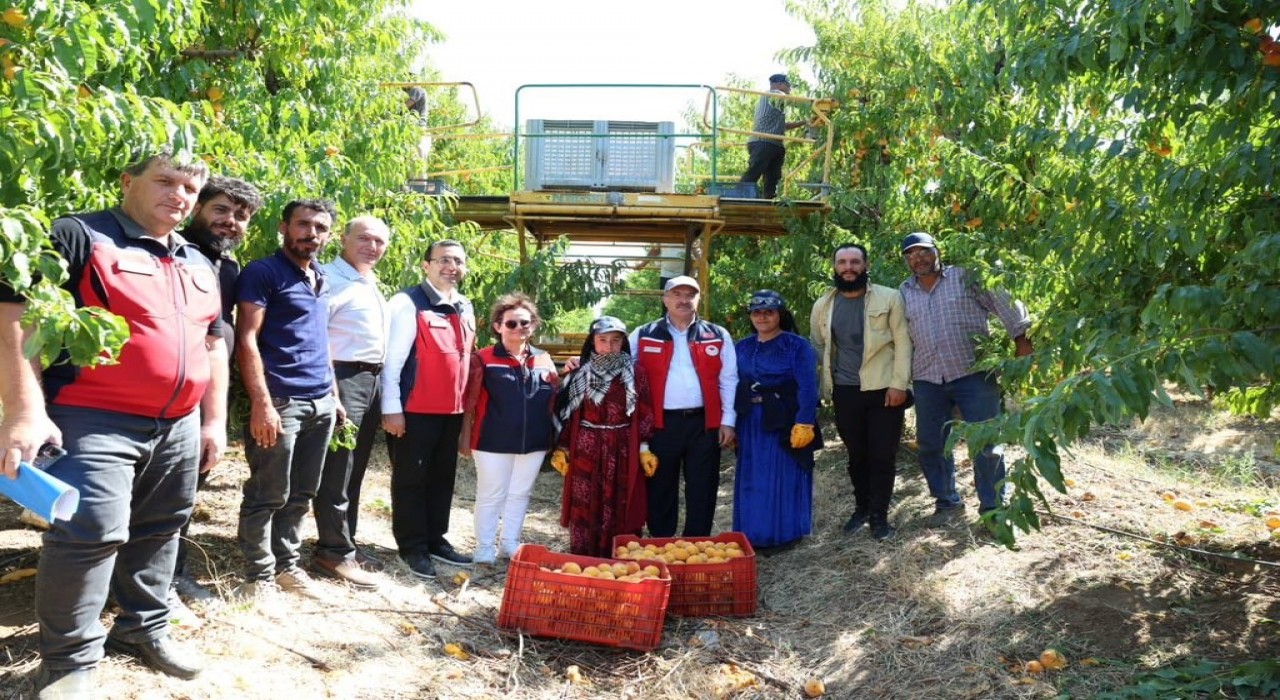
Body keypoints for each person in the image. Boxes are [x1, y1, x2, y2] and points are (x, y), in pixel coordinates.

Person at [0, 150, 221, 696]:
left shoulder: (198, 258)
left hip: (179, 424)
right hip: (93, 415)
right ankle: (69, 664)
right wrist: (26, 410)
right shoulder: (78, 236)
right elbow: (13, 313)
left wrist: (212, 421)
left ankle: (141, 630)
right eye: (164, 181)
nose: (178, 195)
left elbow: (211, 340)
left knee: (163, 526)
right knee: (89, 535)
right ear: (127, 183)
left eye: (189, 188)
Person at [168, 175, 263, 620]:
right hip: (153, 394)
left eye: (240, 216)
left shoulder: (229, 270)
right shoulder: (170, 251)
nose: (230, 222)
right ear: (198, 209)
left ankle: (171, 575)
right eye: (221, 211)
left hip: (199, 394)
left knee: (184, 491)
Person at [234, 199, 339, 600]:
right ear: (284, 227)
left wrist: (333, 393)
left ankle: (286, 568)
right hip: (280, 401)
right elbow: (246, 339)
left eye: (320, 227)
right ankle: (257, 578)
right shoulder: (263, 272)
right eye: (303, 224)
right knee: (267, 492)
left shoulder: (321, 277)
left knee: (301, 493)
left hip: (320, 403)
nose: (311, 233)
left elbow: (320, 339)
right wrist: (261, 402)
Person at [899, 232, 1033, 526]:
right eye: (910, 254)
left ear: (937, 251)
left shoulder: (965, 277)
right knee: (931, 443)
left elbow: (1006, 302)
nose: (917, 258)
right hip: (927, 377)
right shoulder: (904, 292)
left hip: (972, 373)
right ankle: (947, 503)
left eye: (923, 251)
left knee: (986, 444)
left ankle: (994, 509)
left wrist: (1022, 341)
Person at [382, 239, 476, 579]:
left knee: (441, 479)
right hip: (414, 410)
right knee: (411, 479)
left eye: (459, 261)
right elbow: (392, 363)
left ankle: (436, 539)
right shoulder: (407, 302)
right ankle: (412, 547)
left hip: (450, 412)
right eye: (444, 260)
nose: (452, 266)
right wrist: (391, 409)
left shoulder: (465, 305)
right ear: (427, 265)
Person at [309, 216, 391, 589]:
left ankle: (347, 544)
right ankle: (332, 552)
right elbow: (316, 336)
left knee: (353, 469)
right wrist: (332, 390)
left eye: (379, 241)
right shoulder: (327, 277)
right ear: (343, 238)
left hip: (370, 379)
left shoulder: (368, 282)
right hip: (342, 376)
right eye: (364, 238)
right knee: (338, 469)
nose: (372, 246)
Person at [810, 243, 912, 541]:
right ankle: (862, 509)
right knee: (857, 456)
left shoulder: (890, 297)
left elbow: (904, 343)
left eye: (855, 261)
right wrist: (821, 388)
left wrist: (899, 385)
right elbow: (818, 345)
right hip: (845, 391)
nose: (848, 267)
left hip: (884, 390)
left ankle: (880, 517)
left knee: (882, 455)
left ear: (866, 265)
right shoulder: (824, 305)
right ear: (834, 267)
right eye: (842, 262)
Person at [631, 275, 737, 538]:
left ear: (698, 299)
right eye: (677, 294)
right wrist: (581, 361)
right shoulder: (643, 334)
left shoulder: (717, 334)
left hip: (704, 424)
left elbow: (729, 379)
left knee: (703, 487)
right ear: (665, 299)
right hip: (660, 424)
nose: (683, 300)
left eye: (690, 294)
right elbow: (620, 366)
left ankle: (697, 543)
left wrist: (728, 420)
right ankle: (662, 542)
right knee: (660, 486)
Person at [459, 293, 559, 564]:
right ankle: (484, 546)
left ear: (534, 325)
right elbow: (469, 402)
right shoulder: (483, 358)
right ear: (498, 327)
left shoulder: (544, 359)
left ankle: (510, 543)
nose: (519, 328)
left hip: (534, 440)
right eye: (511, 323)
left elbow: (554, 396)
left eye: (524, 323)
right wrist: (465, 438)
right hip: (492, 439)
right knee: (491, 494)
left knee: (520, 493)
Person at [552, 317, 656, 556]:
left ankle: (623, 556)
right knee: (585, 501)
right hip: (586, 447)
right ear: (592, 342)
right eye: (602, 340)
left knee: (622, 502)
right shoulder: (579, 373)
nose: (609, 346)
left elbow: (645, 411)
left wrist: (644, 448)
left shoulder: (636, 373)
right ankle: (584, 556)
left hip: (623, 447)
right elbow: (567, 411)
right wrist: (562, 447)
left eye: (615, 340)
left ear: (623, 343)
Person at [732, 291, 821, 549]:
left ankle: (784, 535)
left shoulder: (797, 345)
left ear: (780, 314)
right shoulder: (742, 347)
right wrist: (731, 422)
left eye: (769, 312)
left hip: (785, 420)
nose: (762, 317)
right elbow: (730, 383)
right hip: (750, 422)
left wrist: (804, 422)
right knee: (753, 478)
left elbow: (808, 387)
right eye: (756, 312)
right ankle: (752, 535)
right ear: (750, 316)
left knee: (783, 476)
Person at [738, 73, 807, 199]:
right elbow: (796, 102)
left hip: (774, 144)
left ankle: (769, 199)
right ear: (781, 85)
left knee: (773, 176)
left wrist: (804, 122)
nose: (789, 90)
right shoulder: (774, 95)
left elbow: (782, 125)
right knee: (755, 171)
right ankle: (740, 196)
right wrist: (813, 104)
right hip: (763, 141)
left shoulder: (777, 103)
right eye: (788, 87)